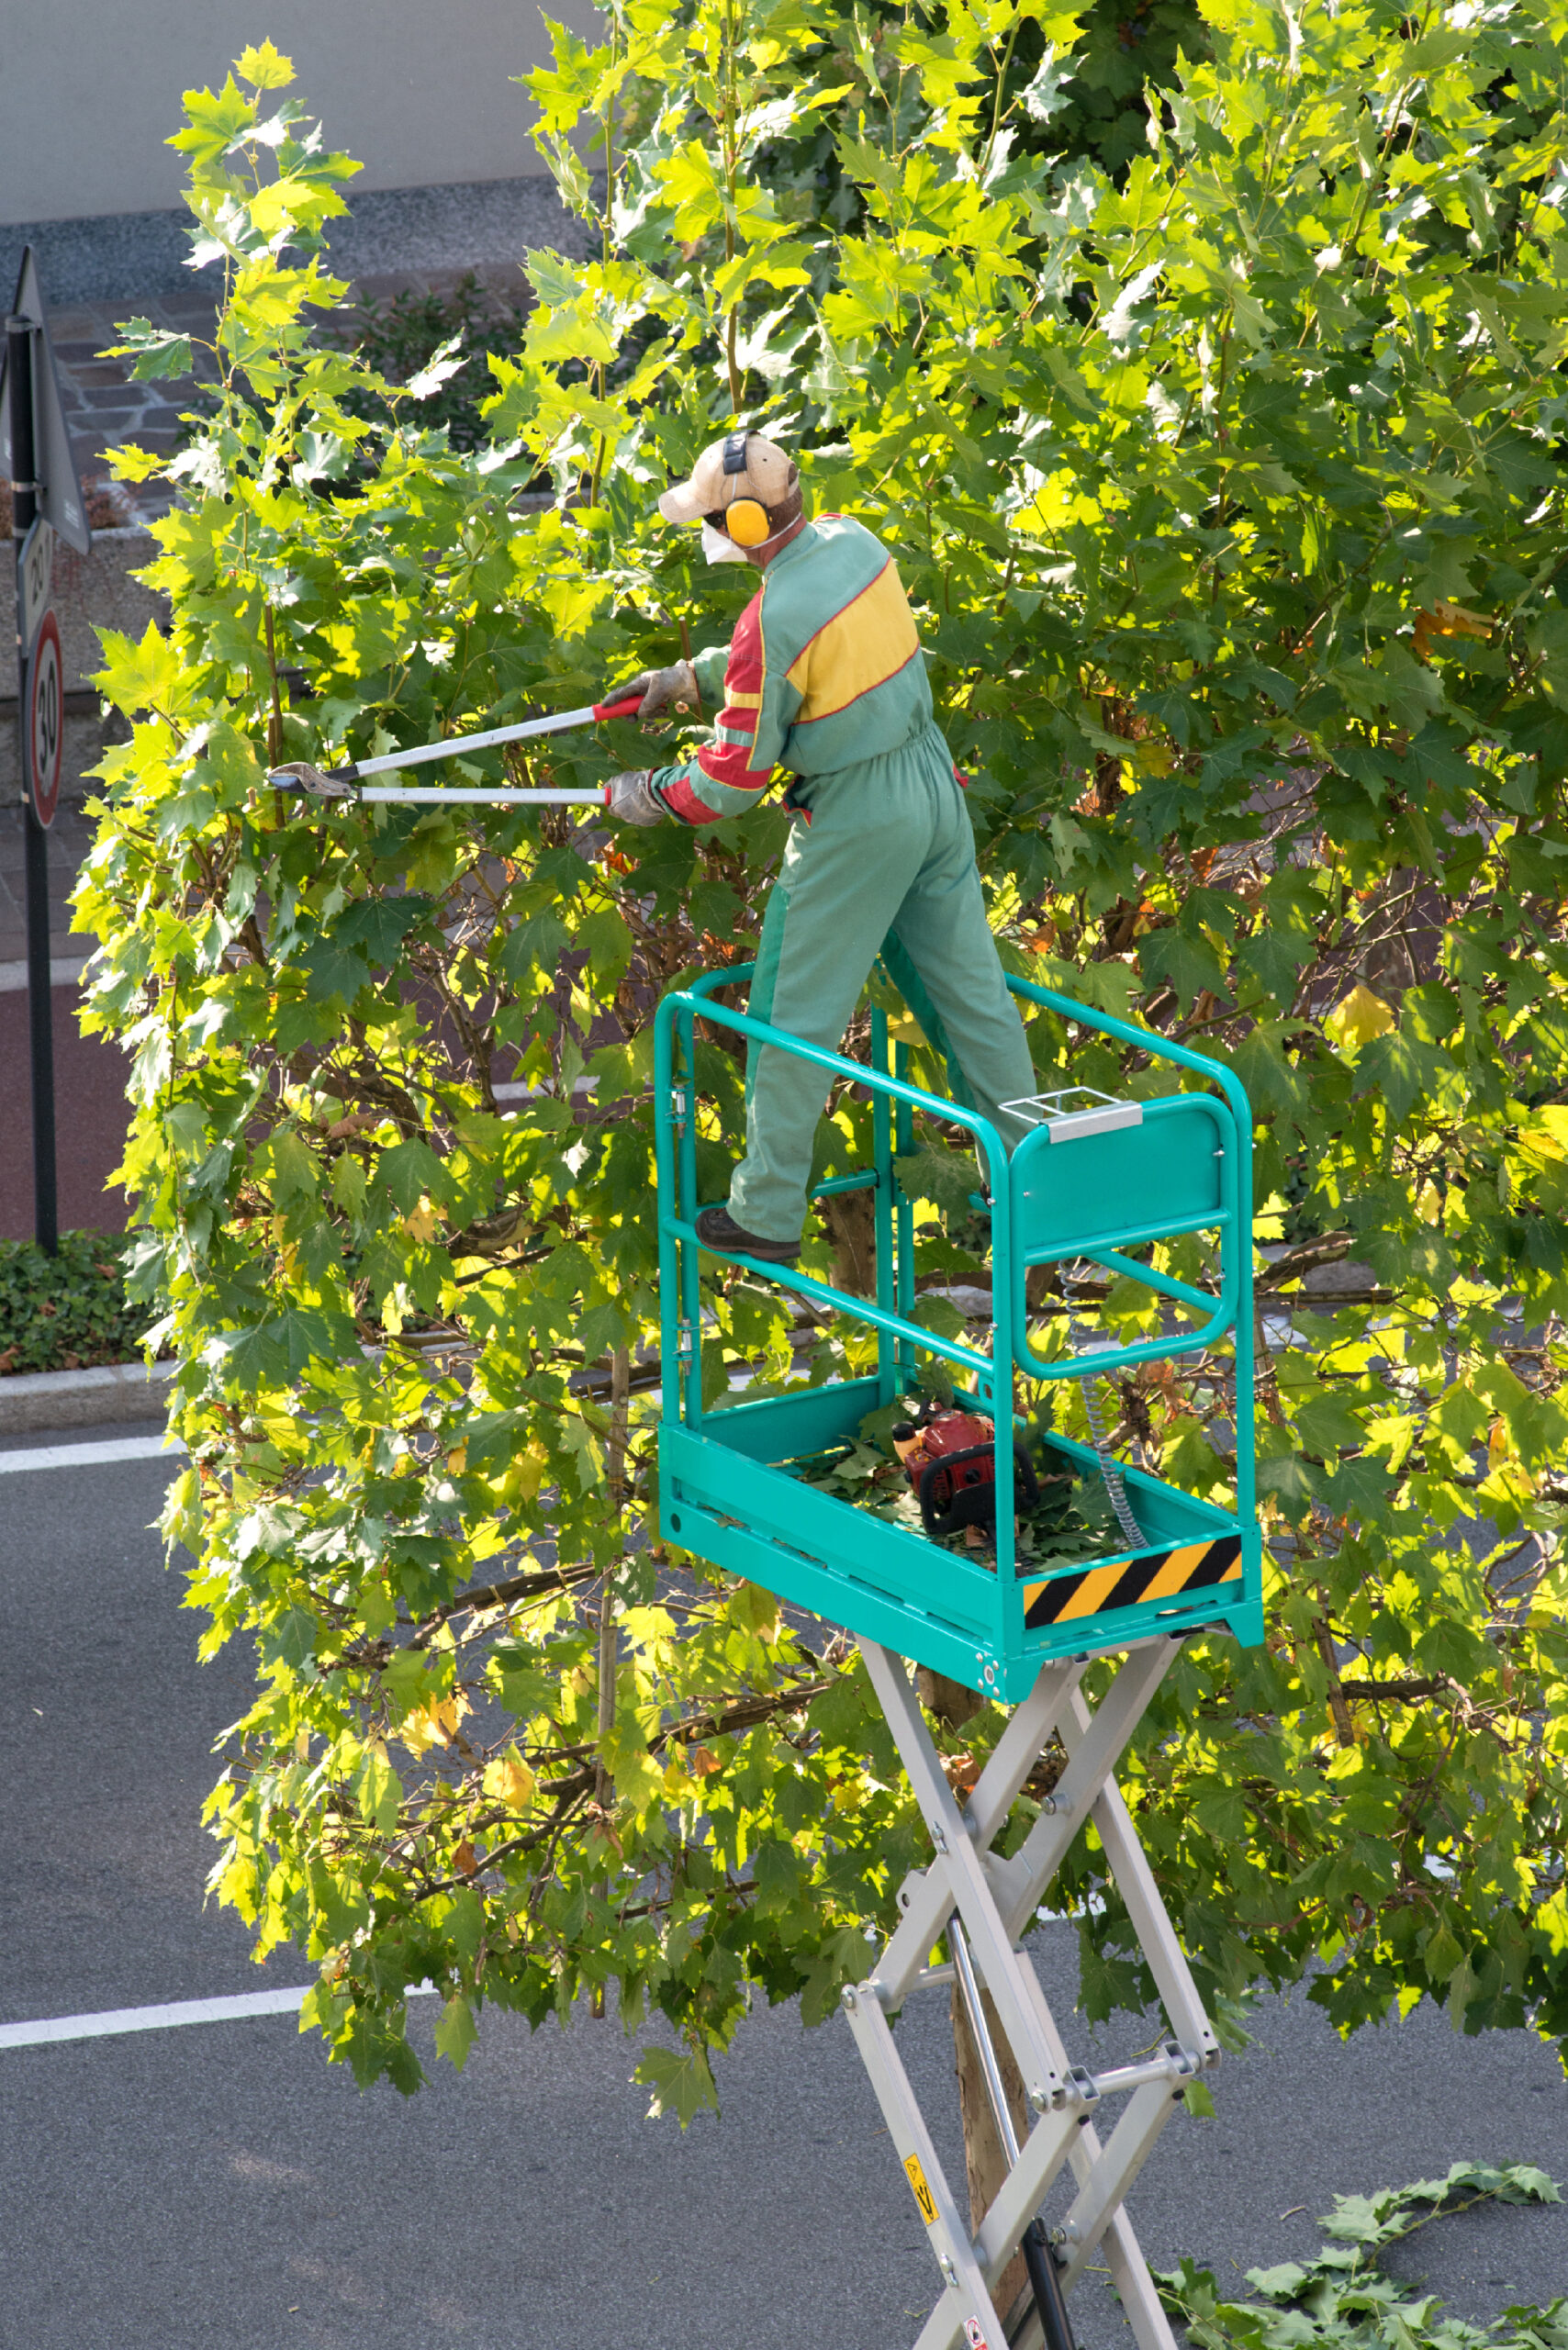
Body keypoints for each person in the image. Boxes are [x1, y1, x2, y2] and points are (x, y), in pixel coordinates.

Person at [607, 430, 1036, 1266]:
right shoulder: (853, 539)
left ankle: (765, 1211)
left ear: (741, 518)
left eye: (715, 521)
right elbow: (806, 660)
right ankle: (1043, 1188)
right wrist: (691, 678)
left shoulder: (766, 617)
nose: (712, 534)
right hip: (930, 786)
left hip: (857, 818)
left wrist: (650, 797)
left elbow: (730, 781)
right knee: (971, 1000)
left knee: (791, 1012)